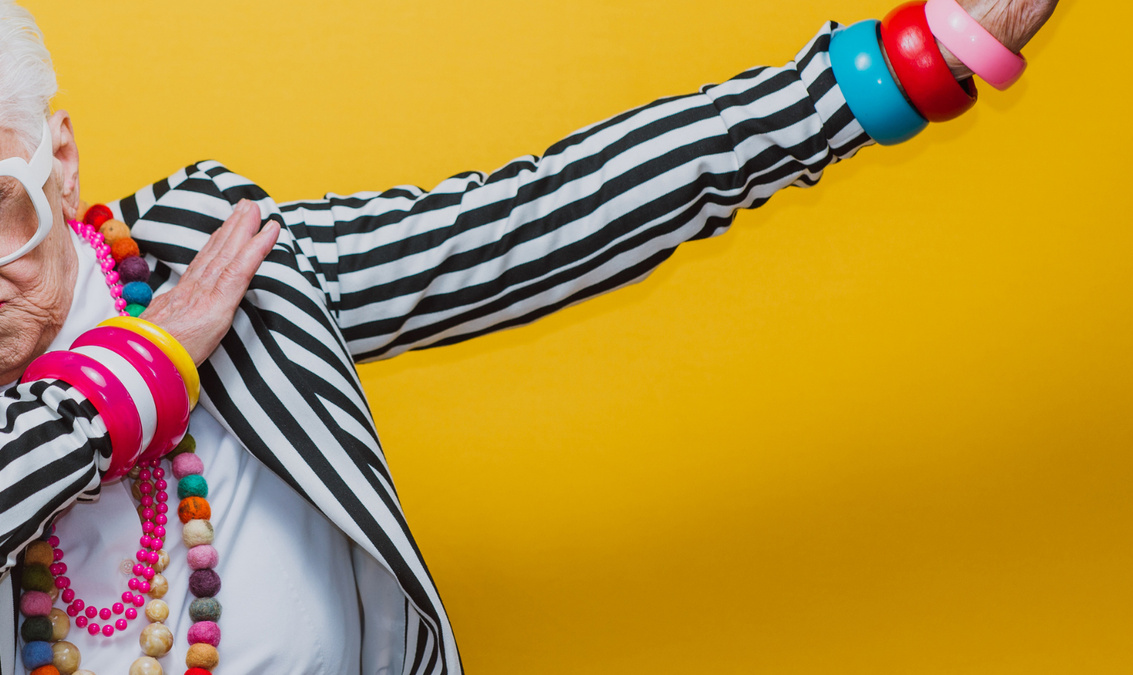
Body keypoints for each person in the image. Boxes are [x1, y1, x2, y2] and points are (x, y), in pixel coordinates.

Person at [0, 0, 1058, 673]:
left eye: (4, 200)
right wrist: (142, 372)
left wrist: (906, 63)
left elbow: (526, 225)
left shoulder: (208, 258)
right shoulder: (166, 330)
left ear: (63, 161)